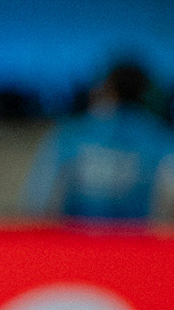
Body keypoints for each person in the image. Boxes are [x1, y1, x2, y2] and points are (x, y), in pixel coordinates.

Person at [23, 59, 174, 222]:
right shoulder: (159, 138)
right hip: (135, 241)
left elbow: (39, 200)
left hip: (76, 241)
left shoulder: (72, 134)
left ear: (107, 88)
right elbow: (169, 199)